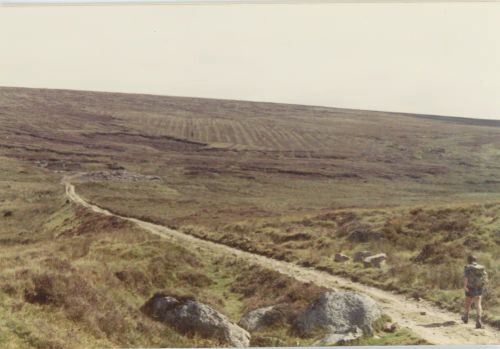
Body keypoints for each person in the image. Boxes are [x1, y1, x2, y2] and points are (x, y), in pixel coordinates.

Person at [462, 255, 488, 329]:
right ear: (475, 260)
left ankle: (466, 317)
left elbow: (466, 277)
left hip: (470, 287)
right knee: (478, 304)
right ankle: (478, 320)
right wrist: (483, 286)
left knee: (468, 302)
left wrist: (465, 286)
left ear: (468, 260)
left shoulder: (467, 267)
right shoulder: (481, 267)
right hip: (479, 288)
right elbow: (485, 278)